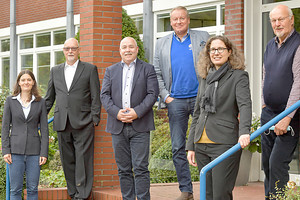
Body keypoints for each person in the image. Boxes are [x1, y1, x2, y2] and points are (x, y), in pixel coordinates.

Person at [153, 6, 210, 200]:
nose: (179, 22)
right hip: (175, 101)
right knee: (178, 146)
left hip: (199, 100)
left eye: (182, 18)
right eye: (175, 19)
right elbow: (157, 73)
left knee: (204, 143)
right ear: (171, 21)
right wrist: (166, 97)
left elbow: (212, 65)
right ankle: (186, 190)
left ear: (188, 20)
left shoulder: (203, 37)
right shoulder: (161, 43)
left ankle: (207, 188)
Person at [186, 35, 252, 200]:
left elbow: (245, 105)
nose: (216, 52)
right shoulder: (204, 78)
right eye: (212, 49)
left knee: (221, 195)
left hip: (224, 143)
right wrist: (191, 145)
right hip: (201, 143)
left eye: (220, 49)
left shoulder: (238, 76)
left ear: (229, 52)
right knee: (207, 194)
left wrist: (245, 131)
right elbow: (197, 112)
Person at [100, 37, 159, 200]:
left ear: (137, 49)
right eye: (124, 47)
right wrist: (116, 112)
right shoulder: (110, 71)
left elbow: (153, 94)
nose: (127, 50)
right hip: (117, 126)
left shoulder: (148, 69)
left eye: (131, 47)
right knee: (123, 169)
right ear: (120, 51)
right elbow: (104, 95)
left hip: (140, 126)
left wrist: (137, 112)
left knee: (140, 168)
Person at [45, 38, 101, 200]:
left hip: (84, 122)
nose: (70, 51)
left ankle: (82, 195)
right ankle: (73, 192)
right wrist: (39, 116)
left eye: (73, 48)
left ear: (78, 50)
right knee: (67, 160)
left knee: (83, 160)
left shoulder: (89, 69)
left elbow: (95, 96)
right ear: (63, 50)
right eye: (67, 48)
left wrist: (94, 118)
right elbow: (49, 98)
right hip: (62, 122)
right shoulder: (55, 71)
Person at [261, 5, 300, 199]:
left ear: (291, 20)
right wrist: (262, 102)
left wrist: (286, 118)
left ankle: (279, 198)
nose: (277, 24)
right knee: (267, 162)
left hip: (290, 116)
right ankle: (271, 197)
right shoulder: (270, 45)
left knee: (277, 163)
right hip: (268, 113)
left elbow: (299, 83)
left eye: (281, 19)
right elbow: (265, 74)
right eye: (274, 20)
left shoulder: (298, 44)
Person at [2, 70, 49, 200]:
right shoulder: (10, 101)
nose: (26, 82)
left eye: (29, 80)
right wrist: (6, 150)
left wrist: (43, 153)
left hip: (35, 152)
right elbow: (5, 127)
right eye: (23, 80)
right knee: (15, 189)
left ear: (33, 82)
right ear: (19, 82)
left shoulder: (41, 102)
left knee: (33, 189)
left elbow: (44, 130)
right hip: (15, 152)